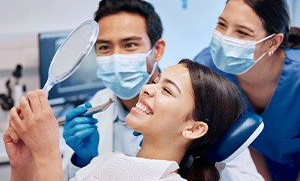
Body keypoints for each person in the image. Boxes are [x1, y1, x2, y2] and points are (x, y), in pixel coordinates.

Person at [61, 0, 263, 180]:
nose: (116, 56)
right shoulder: (97, 106)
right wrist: (82, 159)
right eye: (104, 47)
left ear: (157, 50)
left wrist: (199, 164)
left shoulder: (204, 105)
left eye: (130, 45)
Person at [5, 59, 244, 181]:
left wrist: (46, 153)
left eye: (168, 91)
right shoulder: (107, 162)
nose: (147, 89)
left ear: (193, 128)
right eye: (155, 82)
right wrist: (23, 164)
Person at [193, 0, 300, 180]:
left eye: (242, 32)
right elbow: (244, 141)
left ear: (273, 42)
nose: (225, 38)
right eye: (222, 24)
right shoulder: (208, 69)